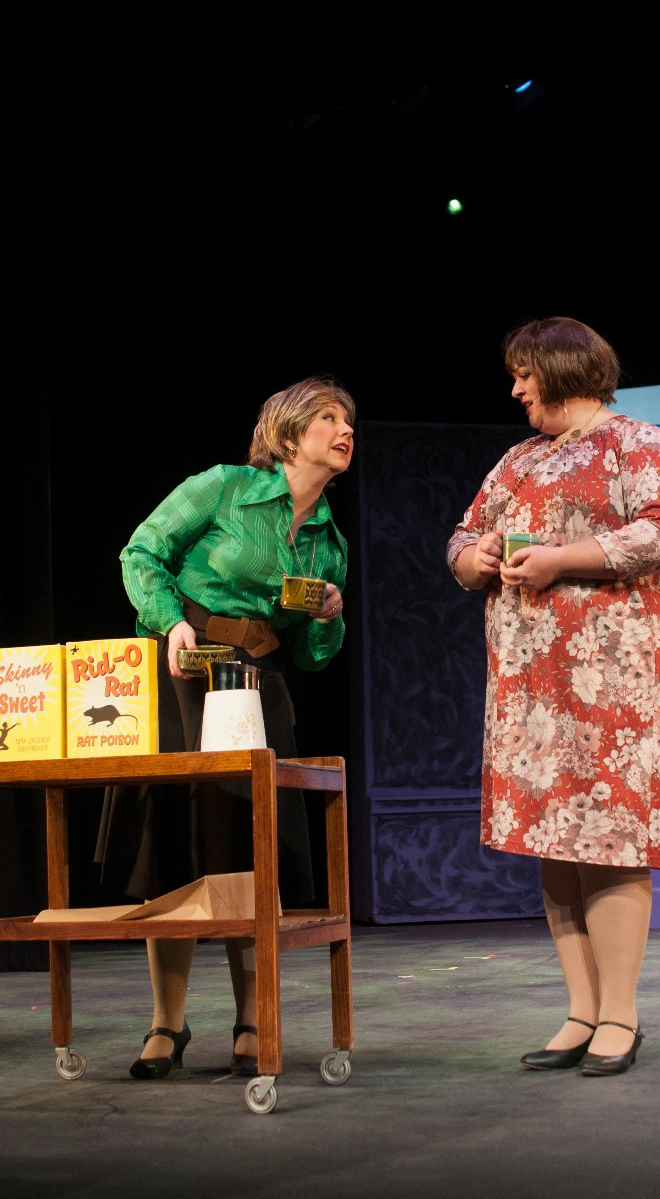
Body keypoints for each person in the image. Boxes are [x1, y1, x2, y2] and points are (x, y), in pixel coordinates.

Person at [447, 317, 660, 1076]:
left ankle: (620, 1013)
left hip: (614, 676)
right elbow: (460, 538)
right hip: (529, 683)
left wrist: (561, 559)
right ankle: (581, 1009)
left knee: (609, 834)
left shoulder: (634, 442)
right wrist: (478, 555)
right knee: (555, 838)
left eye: (525, 373)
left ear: (561, 368)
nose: (516, 389)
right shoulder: (518, 459)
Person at [95, 374, 355, 1079]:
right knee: (172, 849)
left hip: (255, 685)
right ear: (289, 433)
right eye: (329, 418)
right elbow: (141, 552)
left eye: (348, 421)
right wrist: (169, 621)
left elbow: (313, 655)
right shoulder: (225, 487)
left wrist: (326, 618)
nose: (345, 430)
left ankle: (251, 1017)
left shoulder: (328, 542)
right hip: (183, 668)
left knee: (249, 850)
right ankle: (166, 1022)